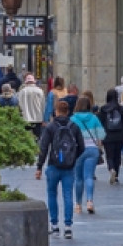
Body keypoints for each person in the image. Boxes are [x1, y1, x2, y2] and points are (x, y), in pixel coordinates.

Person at [34, 98, 82, 238]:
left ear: (56, 111)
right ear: (68, 112)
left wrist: (39, 167)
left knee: (52, 194)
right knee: (68, 195)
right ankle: (68, 227)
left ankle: (54, 226)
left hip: (53, 166)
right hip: (68, 167)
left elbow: (43, 148)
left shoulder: (50, 127)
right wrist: (72, 158)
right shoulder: (74, 126)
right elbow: (81, 147)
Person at [70, 94, 105, 214]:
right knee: (89, 176)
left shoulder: (73, 119)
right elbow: (102, 135)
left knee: (78, 178)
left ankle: (78, 205)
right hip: (92, 150)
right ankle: (90, 201)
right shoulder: (94, 118)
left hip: (78, 151)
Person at [97, 89, 123, 185]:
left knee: (109, 156)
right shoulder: (121, 109)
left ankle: (111, 169)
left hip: (107, 135)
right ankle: (116, 176)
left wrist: (100, 137)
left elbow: (100, 124)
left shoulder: (103, 109)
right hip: (120, 136)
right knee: (117, 155)